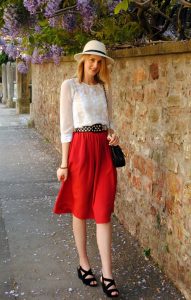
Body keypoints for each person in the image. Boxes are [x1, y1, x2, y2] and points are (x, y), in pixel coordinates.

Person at [53, 40, 119, 298]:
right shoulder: (69, 86)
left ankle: (108, 274)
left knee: (103, 211)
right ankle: (84, 264)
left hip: (102, 152)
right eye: (91, 59)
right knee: (80, 209)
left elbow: (109, 123)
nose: (95, 64)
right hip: (80, 150)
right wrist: (63, 163)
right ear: (82, 60)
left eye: (99, 61)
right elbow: (66, 128)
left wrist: (113, 135)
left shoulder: (104, 89)